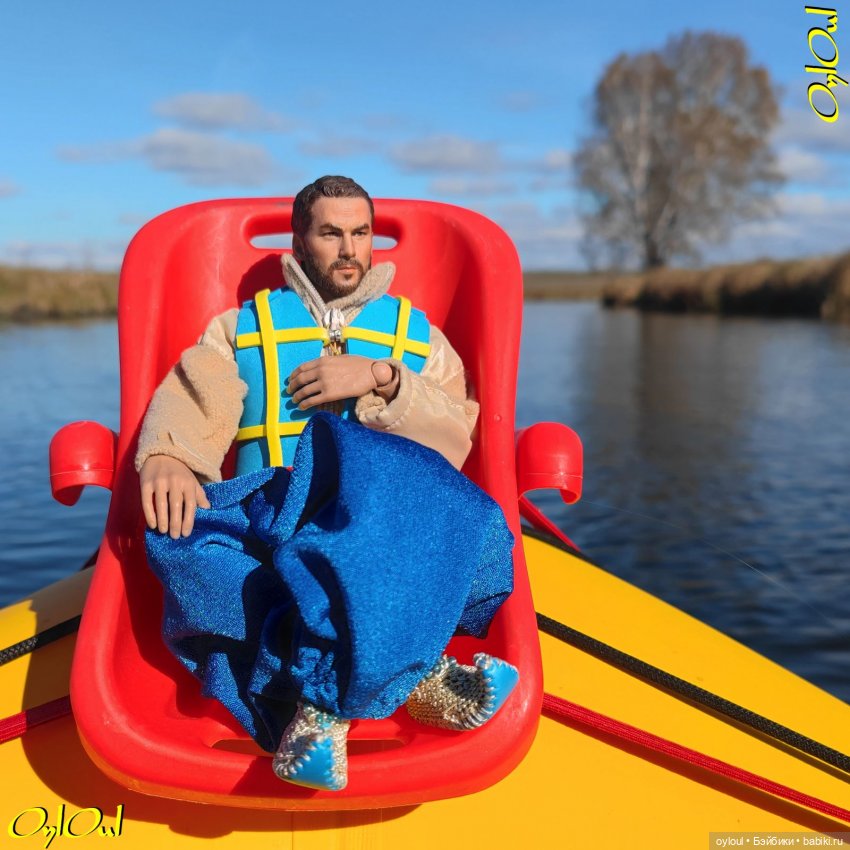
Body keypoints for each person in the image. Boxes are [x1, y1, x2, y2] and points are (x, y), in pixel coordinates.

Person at [137, 176, 518, 792]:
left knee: (451, 517)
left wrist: (383, 378)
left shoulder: (418, 337)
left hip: (376, 522)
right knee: (172, 537)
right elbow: (195, 391)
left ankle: (320, 704)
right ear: (299, 241)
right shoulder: (240, 326)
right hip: (270, 513)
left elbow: (459, 433)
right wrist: (170, 454)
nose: (348, 249)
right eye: (331, 233)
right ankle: (412, 680)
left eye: (360, 233)